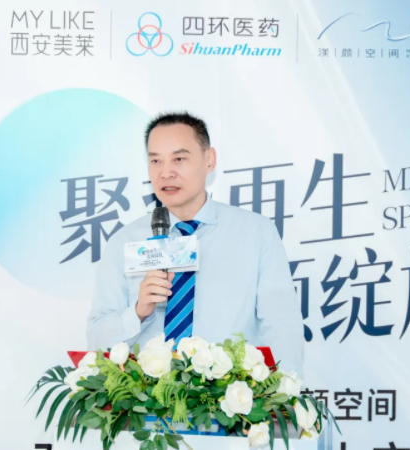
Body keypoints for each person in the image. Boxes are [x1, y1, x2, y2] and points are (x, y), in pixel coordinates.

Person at [87, 112, 304, 374]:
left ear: (209, 160)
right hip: (146, 397)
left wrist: (282, 389)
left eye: (179, 159)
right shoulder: (126, 241)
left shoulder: (256, 233)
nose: (166, 172)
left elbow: (281, 327)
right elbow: (96, 340)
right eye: (156, 160)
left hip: (229, 395)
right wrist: (138, 312)